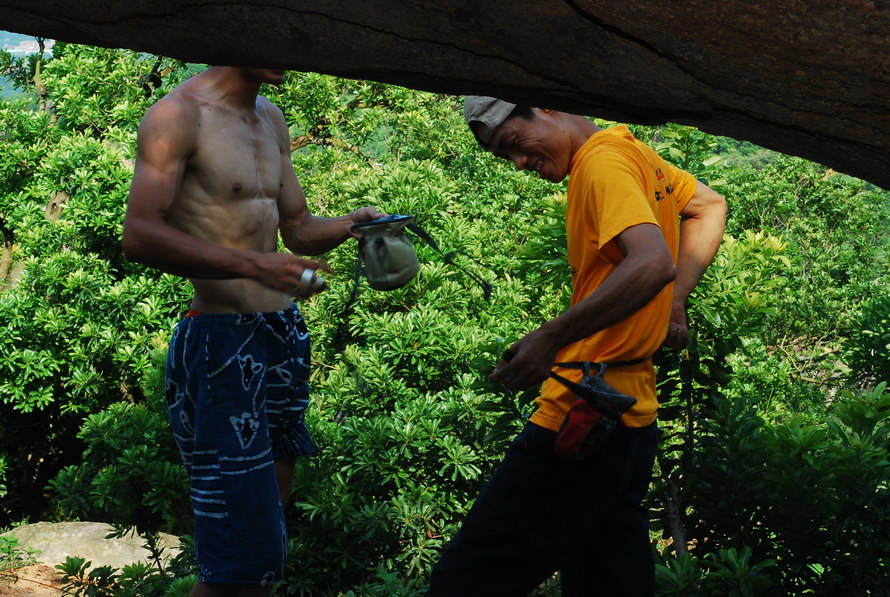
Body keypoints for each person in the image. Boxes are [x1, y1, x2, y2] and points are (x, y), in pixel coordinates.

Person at [428, 97, 727, 596]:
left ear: (547, 107)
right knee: (607, 578)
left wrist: (549, 337)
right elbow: (708, 206)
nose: (518, 163)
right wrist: (674, 301)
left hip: (583, 409)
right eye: (505, 156)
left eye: (514, 143)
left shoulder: (601, 163)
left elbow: (652, 262)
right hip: (630, 415)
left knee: (467, 578)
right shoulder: (630, 150)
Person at [121, 66, 383, 597]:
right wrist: (256, 265)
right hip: (220, 341)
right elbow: (140, 236)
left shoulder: (270, 117)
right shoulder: (178, 116)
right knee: (234, 553)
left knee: (266, 544)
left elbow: (298, 229)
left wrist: (354, 225)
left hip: (281, 333)